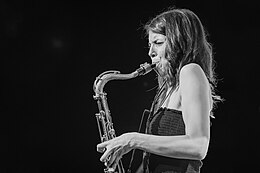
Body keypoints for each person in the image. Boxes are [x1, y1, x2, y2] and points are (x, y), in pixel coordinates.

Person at [97, 7, 221, 173]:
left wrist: (132, 139)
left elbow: (198, 145)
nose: (150, 52)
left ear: (180, 41)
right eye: (149, 45)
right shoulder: (167, 87)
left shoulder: (190, 71)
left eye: (158, 43)